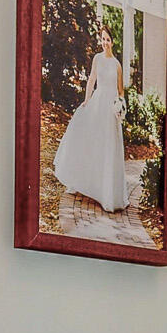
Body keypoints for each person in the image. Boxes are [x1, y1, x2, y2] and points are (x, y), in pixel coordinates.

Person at [53, 22, 130, 212]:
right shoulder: (97, 59)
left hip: (110, 109)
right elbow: (91, 80)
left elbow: (120, 91)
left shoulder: (117, 65)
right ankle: (80, 181)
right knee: (90, 140)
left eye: (108, 40)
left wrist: (120, 106)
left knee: (108, 146)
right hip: (97, 103)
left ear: (113, 42)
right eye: (103, 39)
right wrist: (87, 100)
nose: (105, 43)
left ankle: (107, 194)